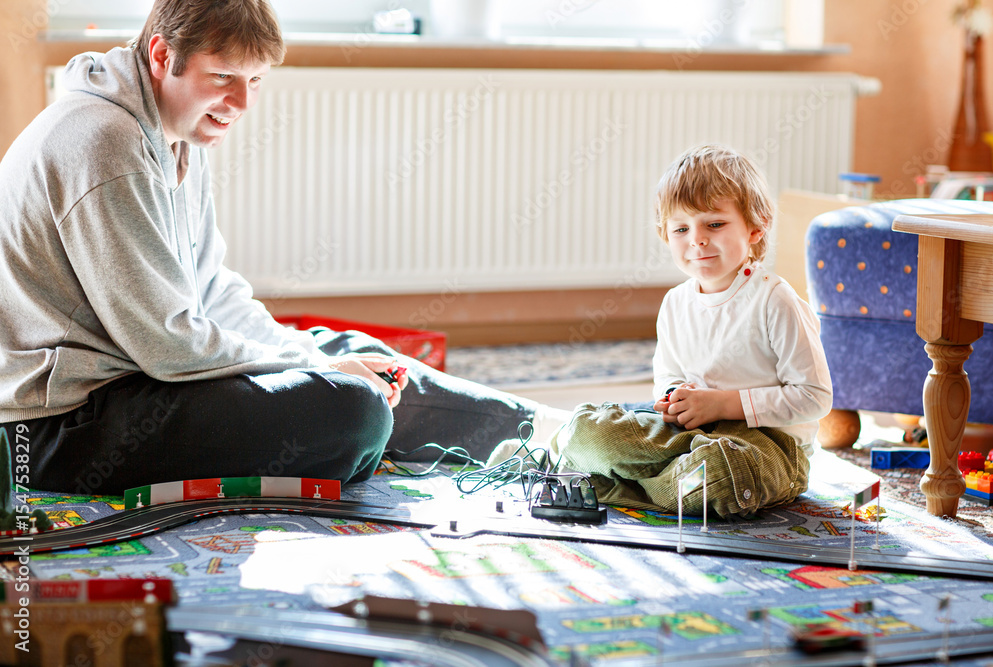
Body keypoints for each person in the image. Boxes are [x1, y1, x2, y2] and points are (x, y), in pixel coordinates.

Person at [0, 0, 566, 496]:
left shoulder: (177, 138)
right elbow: (169, 344)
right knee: (352, 405)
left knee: (363, 362)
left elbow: (213, 292)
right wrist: (317, 368)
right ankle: (382, 424)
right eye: (223, 75)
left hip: (139, 378)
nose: (241, 102)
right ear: (160, 55)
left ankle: (562, 434)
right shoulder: (105, 142)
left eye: (255, 80)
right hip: (60, 422)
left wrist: (317, 356)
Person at [489, 144, 833, 517]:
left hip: (768, 448)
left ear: (755, 226)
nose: (697, 240)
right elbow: (667, 377)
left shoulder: (774, 300)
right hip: (688, 438)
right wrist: (673, 396)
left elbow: (815, 397)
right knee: (592, 432)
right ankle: (590, 463)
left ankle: (586, 479)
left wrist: (723, 404)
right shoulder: (675, 303)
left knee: (715, 475)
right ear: (665, 235)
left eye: (714, 224)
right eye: (681, 228)